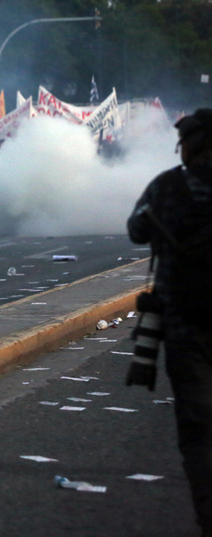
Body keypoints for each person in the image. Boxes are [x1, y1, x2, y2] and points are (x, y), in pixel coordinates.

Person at [126, 108, 212, 536]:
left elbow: (137, 230)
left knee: (198, 427)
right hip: (186, 322)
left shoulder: (168, 186)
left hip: (185, 323)